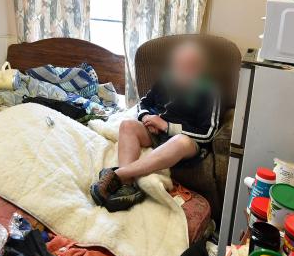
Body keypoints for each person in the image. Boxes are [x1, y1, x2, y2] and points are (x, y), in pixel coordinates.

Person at [90, 40, 221, 212]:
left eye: (190, 66)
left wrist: (167, 126)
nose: (183, 70)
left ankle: (120, 174)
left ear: (200, 68)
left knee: (181, 141)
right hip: (156, 133)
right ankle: (128, 188)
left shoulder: (209, 90)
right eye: (179, 65)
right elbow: (144, 102)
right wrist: (147, 118)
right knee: (127, 125)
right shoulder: (166, 80)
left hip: (187, 142)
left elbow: (208, 133)